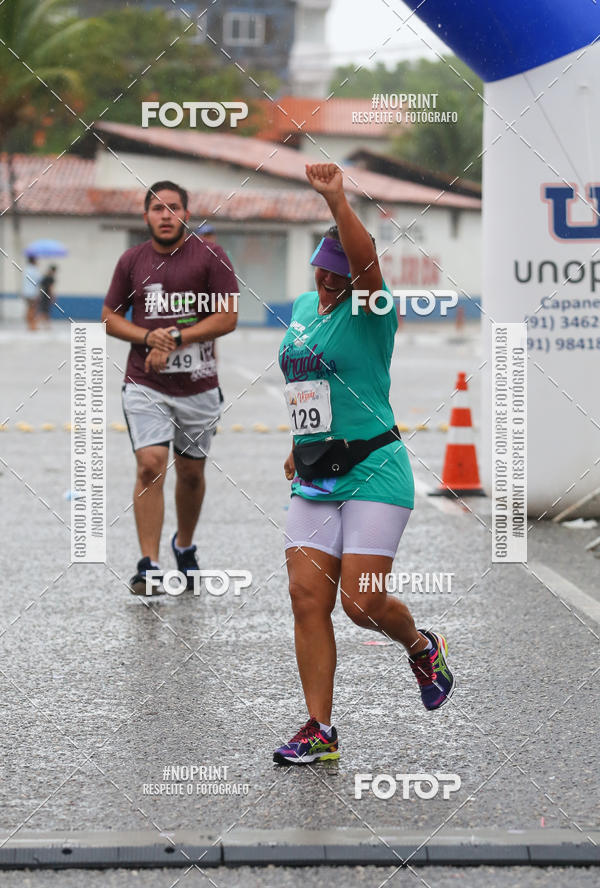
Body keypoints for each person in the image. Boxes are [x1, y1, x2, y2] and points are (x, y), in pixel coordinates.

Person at [274, 163, 455, 765]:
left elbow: (365, 262)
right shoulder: (304, 305)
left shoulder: (373, 311)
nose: (328, 287)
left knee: (361, 604)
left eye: (339, 279)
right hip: (314, 475)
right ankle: (318, 729)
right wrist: (300, 445)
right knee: (306, 598)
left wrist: (337, 200)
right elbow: (307, 385)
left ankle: (421, 644)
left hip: (375, 471)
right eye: (322, 277)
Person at [102, 181, 238, 595]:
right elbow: (110, 316)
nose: (165, 215)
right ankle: (149, 565)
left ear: (186, 214)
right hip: (146, 383)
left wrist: (176, 337)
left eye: (173, 207)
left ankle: (184, 545)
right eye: (157, 209)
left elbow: (227, 317)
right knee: (150, 465)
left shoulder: (211, 256)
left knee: (191, 474)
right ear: (146, 216)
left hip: (198, 387)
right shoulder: (132, 261)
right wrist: (148, 338)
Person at [23, 254, 41, 331]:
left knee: (29, 308)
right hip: (32, 293)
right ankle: (32, 325)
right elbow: (39, 280)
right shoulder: (34, 269)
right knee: (32, 309)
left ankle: (29, 325)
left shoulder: (26, 268)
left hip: (26, 292)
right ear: (34, 261)